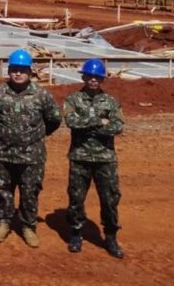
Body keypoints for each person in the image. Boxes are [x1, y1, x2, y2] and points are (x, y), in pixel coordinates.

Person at [0, 49, 61, 247]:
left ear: (30, 72)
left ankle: (28, 226)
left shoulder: (41, 95)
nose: (18, 73)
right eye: (14, 70)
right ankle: (4, 222)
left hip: (32, 155)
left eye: (22, 70)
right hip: (4, 152)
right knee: (4, 190)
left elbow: (54, 120)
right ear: (9, 71)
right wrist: (8, 134)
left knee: (30, 191)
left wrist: (34, 137)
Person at [64, 59, 125, 259]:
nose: (92, 80)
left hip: (105, 158)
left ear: (102, 80)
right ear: (83, 77)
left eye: (96, 77)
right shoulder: (73, 99)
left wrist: (87, 124)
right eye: (89, 76)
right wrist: (100, 121)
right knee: (76, 199)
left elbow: (118, 126)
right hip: (80, 157)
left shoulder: (111, 101)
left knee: (109, 199)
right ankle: (76, 233)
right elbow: (71, 122)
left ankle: (110, 236)